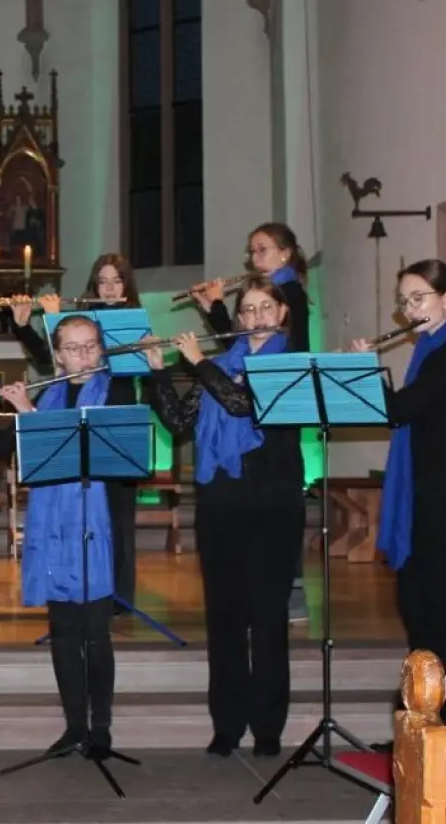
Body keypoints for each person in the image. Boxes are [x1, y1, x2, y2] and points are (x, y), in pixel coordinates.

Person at [0, 316, 154, 754]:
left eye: (90, 347)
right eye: (72, 348)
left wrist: (26, 413)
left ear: (101, 350)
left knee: (95, 632)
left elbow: (104, 453)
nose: (83, 356)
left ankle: (100, 727)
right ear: (58, 355)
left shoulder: (118, 391)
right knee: (64, 631)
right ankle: (73, 726)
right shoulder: (48, 395)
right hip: (55, 530)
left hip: (98, 526)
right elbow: (15, 452)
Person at [144, 277, 304, 758]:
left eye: (264, 308)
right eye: (247, 310)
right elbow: (179, 423)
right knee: (225, 621)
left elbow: (243, 404)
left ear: (281, 315)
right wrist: (156, 372)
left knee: (268, 620)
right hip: (220, 507)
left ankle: (269, 728)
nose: (255, 317)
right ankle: (228, 725)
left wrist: (198, 362)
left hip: (272, 507)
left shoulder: (288, 365)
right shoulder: (222, 365)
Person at [353, 259, 446, 726]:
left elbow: (402, 409)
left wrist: (361, 371)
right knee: (416, 604)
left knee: (438, 607)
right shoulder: (431, 349)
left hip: (443, 493)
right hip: (425, 489)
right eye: (405, 302)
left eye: (419, 299)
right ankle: (422, 709)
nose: (410, 310)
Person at [5, 253, 144, 613]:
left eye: (117, 281)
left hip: (115, 403)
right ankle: (73, 593)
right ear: (94, 286)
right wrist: (31, 325)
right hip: (79, 404)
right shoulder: (79, 325)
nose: (110, 288)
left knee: (118, 516)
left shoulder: (134, 323)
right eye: (103, 281)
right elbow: (53, 362)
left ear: (127, 286)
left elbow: (118, 371)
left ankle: (117, 597)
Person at [194, 222, 313, 623]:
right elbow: (241, 350)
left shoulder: (291, 294)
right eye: (251, 251)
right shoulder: (263, 312)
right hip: (238, 480)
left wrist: (200, 357)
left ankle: (290, 598)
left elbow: (256, 378)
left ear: (286, 254)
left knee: (266, 597)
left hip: (271, 457)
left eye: (261, 249)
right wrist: (214, 309)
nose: (253, 258)